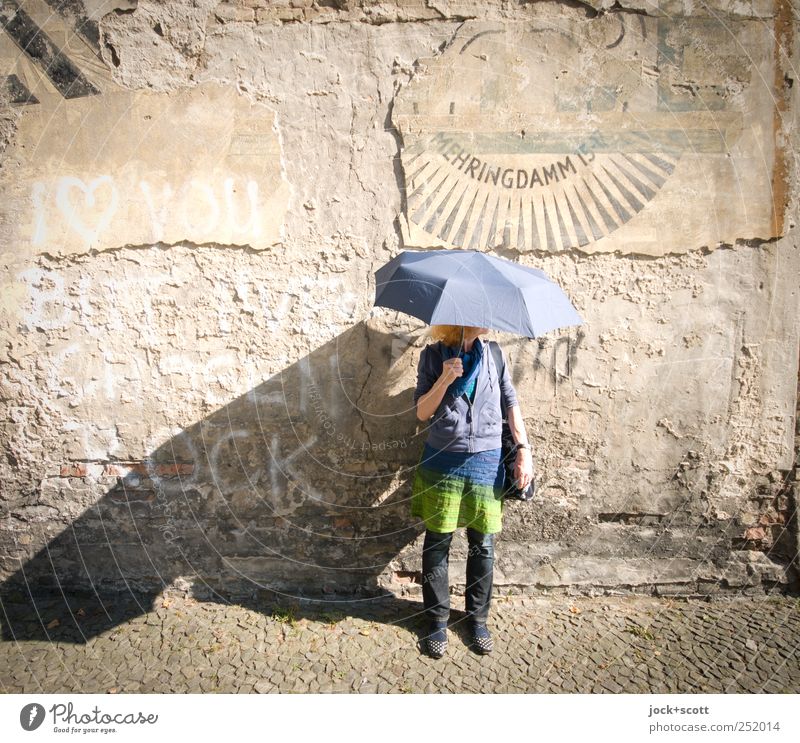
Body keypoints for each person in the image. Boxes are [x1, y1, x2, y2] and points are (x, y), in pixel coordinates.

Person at [410, 324, 533, 658]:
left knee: (483, 542)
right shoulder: (433, 356)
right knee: (438, 540)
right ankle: (436, 620)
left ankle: (477, 619)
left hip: (486, 460)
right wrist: (444, 379)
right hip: (442, 461)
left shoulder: (493, 353)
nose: (488, 317)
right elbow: (422, 412)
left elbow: (510, 401)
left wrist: (523, 450)